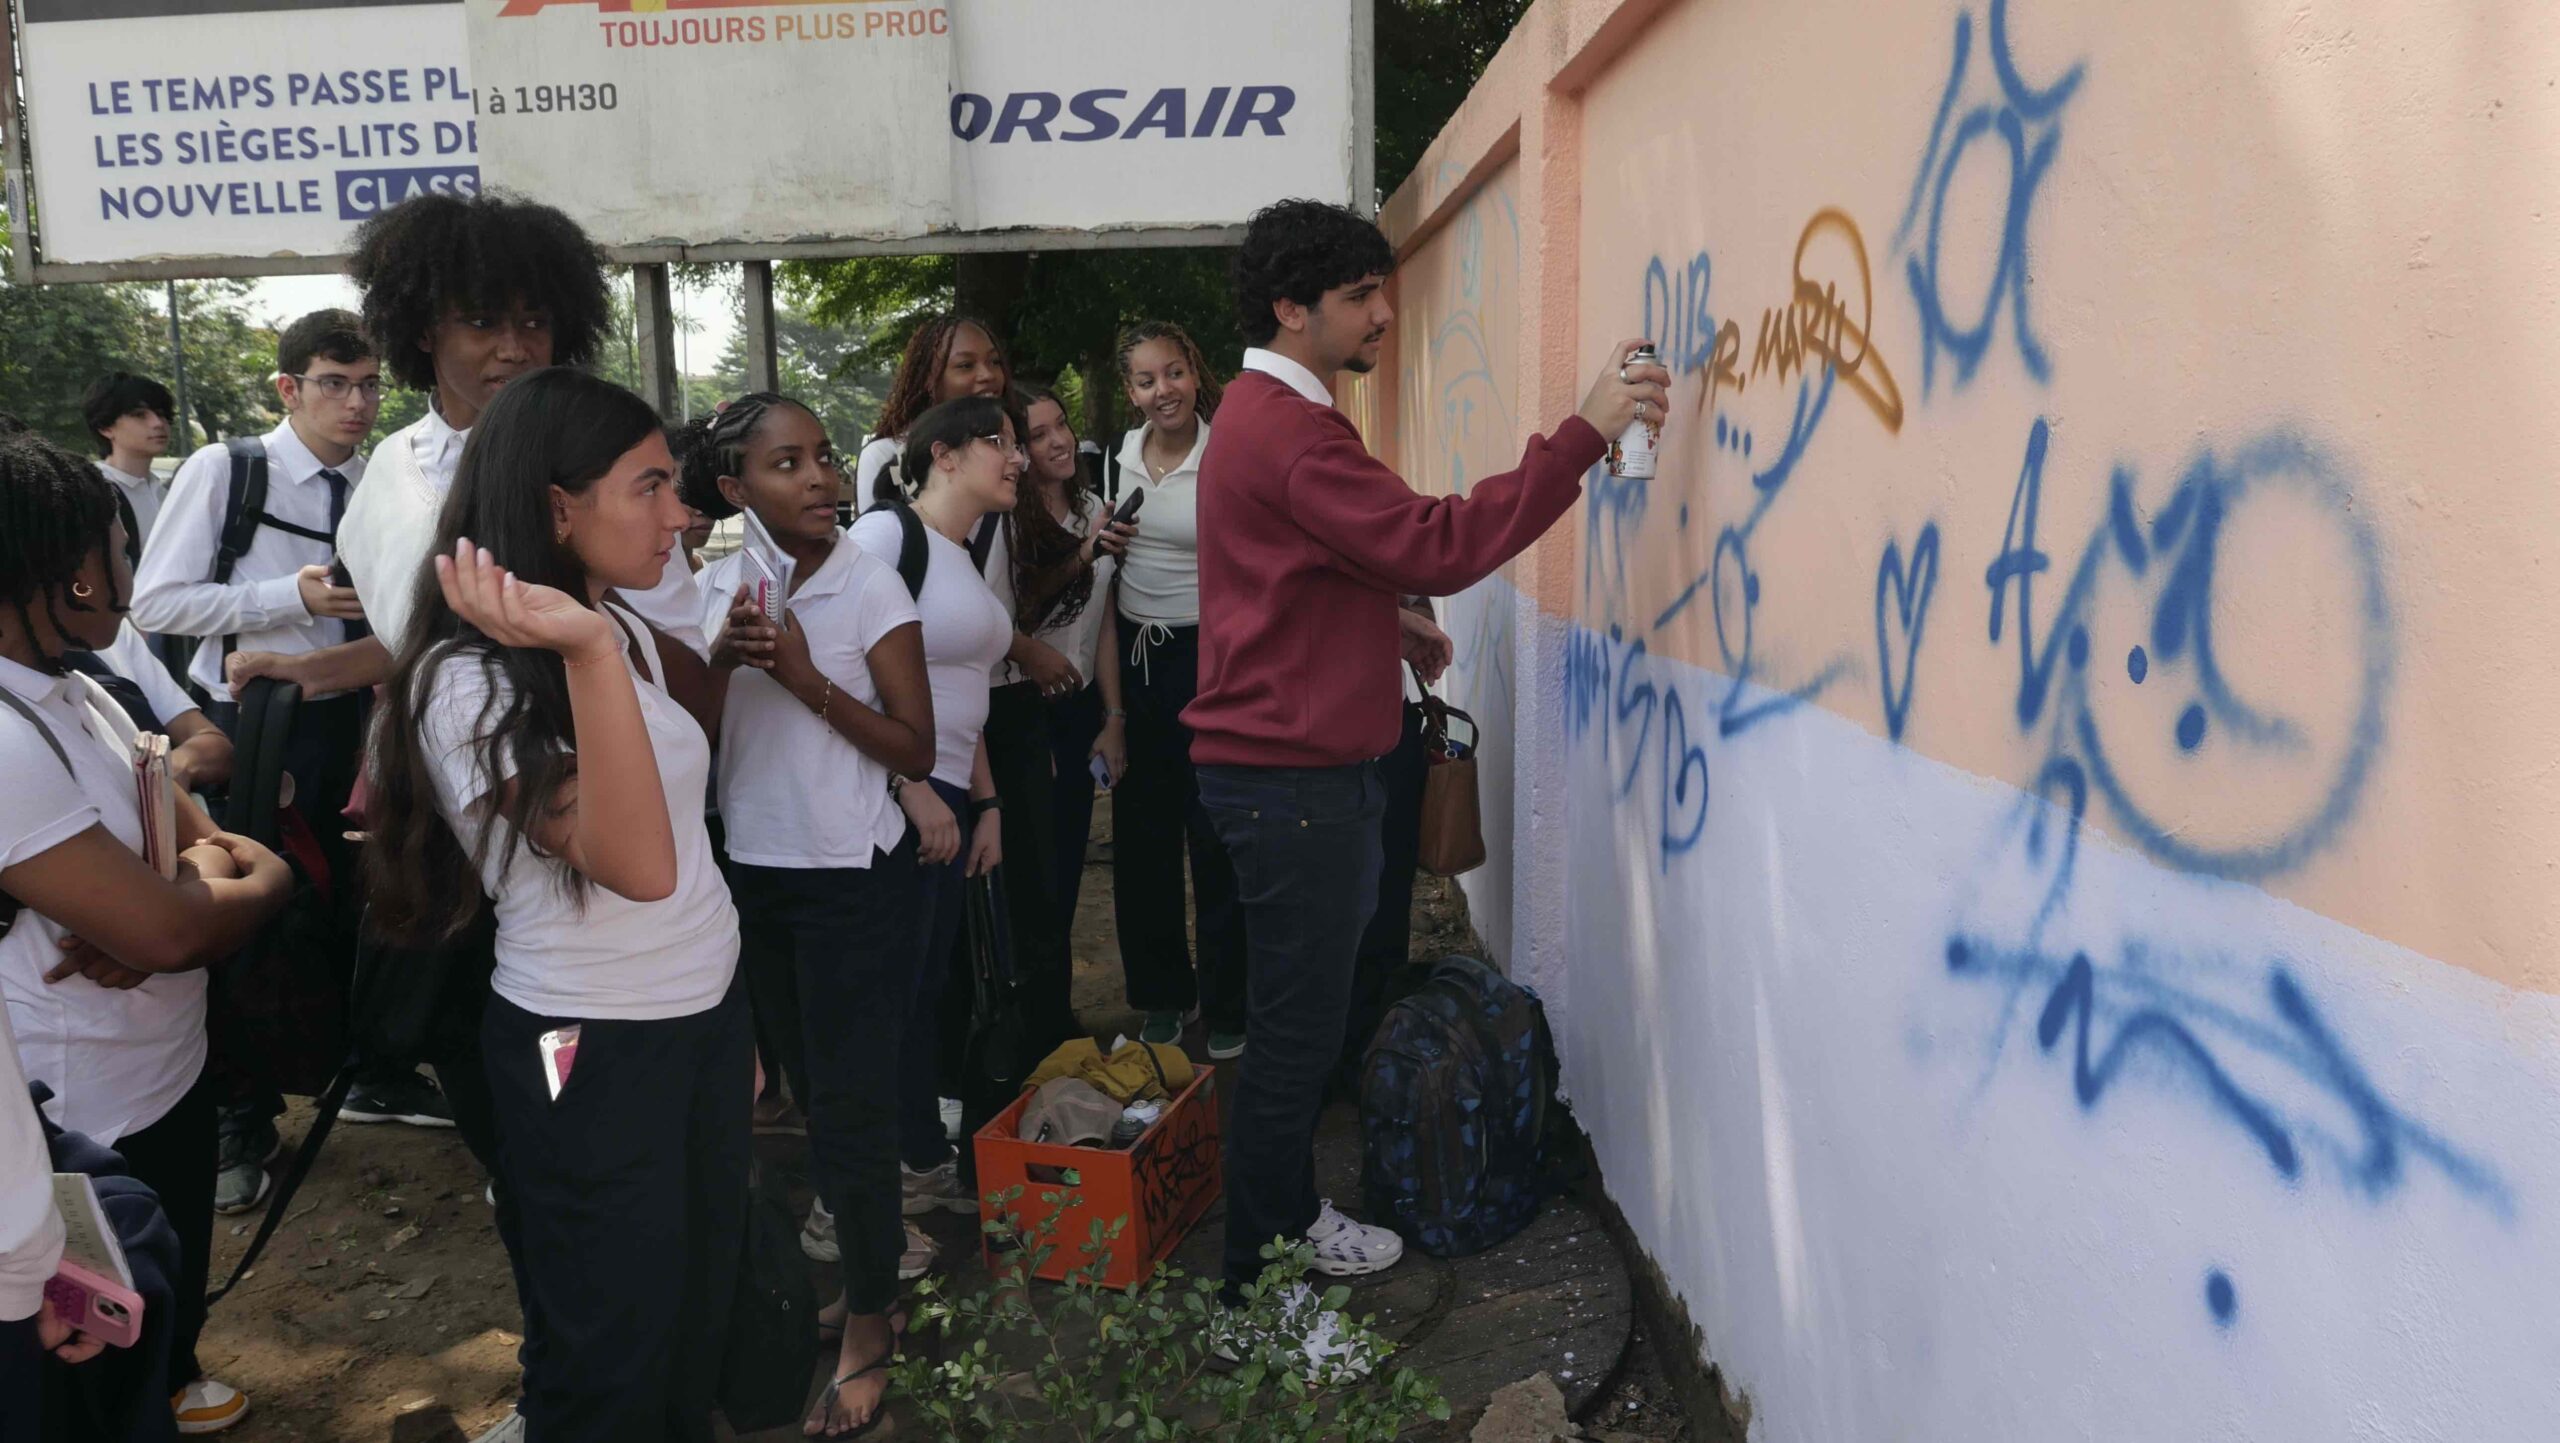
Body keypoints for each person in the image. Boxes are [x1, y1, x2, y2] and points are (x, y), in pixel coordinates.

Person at [1188, 199, 1669, 1341]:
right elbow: (1434, 540)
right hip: (1294, 789)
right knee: (1293, 1044)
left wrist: (1379, 623)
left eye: (1380, 290)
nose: (1383, 314)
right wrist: (1583, 433)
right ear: (1290, 308)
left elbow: (1298, 570)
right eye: (1359, 295)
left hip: (1296, 774)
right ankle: (1252, 1298)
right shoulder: (1289, 430)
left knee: (1304, 1031)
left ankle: (1287, 1222)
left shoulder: (1269, 415)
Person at [366, 368, 747, 1443]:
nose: (681, 514)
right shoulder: (470, 680)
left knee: (696, 1312)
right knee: (604, 1344)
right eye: (650, 486)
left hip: (701, 1019)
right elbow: (637, 863)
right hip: (587, 1043)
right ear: (556, 507)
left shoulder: (614, 629)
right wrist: (584, 650)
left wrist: (733, 1022)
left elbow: (691, 853)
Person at [0, 432, 297, 1435]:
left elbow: (204, 851)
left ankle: (172, 1376)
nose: (133, 570)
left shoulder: (79, 689)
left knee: (158, 1298)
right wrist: (211, 897)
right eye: (123, 548)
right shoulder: (4, 734)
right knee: (86, 1360)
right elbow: (178, 926)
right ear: (76, 574)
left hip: (164, 1070)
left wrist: (179, 894)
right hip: (76, 1112)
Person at [679, 394, 937, 1436]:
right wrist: (719, 659)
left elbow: (916, 746)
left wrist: (800, 675)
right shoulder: (713, 589)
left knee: (852, 1111)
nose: (822, 478)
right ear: (733, 487)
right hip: (756, 873)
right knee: (805, 1106)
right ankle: (862, 1282)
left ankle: (871, 1317)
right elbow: (690, 741)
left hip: (851, 878)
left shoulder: (868, 582)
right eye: (787, 463)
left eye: (824, 456)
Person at [846, 395, 1014, 1232]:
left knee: (924, 989)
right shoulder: (887, 537)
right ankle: (864, 1193)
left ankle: (916, 1157)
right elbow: (836, 671)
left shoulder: (961, 549)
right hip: (897, 798)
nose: (1015, 458)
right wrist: (907, 787)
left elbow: (960, 690)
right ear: (942, 455)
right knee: (889, 992)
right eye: (997, 441)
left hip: (947, 796)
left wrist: (985, 801)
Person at [1109, 321, 1248, 1060]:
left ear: (1195, 373)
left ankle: (1229, 1001)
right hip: (1137, 656)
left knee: (1216, 829)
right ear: (1129, 391)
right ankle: (1164, 992)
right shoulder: (1119, 457)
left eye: (1173, 373)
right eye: (1145, 380)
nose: (1163, 390)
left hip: (1210, 654)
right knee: (1143, 834)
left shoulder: (1226, 454)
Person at [1016, 388, 1127, 934]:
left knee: (1065, 878)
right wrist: (1086, 553)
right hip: (1022, 709)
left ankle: (1057, 990)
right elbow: (1019, 610)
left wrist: (1114, 717)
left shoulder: (1090, 508)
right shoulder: (1006, 519)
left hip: (1079, 708)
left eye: (1061, 424)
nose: (1060, 440)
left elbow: (1100, 618)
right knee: (1030, 884)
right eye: (1039, 435)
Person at [81, 371, 176, 559]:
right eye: (140, 415)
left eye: (161, 414)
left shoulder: (168, 492)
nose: (158, 423)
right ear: (105, 427)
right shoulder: (90, 492)